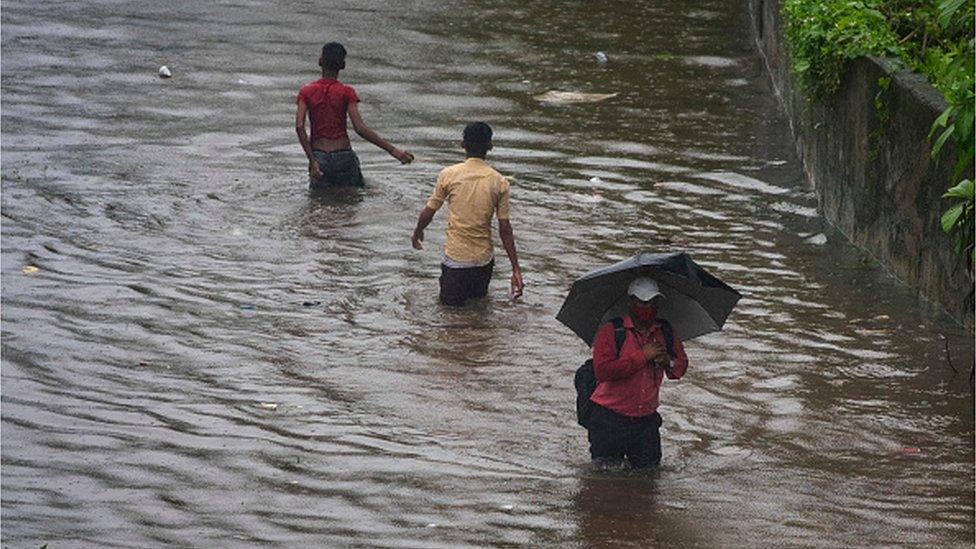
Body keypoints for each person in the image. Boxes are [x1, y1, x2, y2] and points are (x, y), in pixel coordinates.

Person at [410, 122, 524, 306]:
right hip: (483, 263)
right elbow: (505, 229)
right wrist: (516, 268)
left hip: (456, 261)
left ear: (462, 144)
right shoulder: (499, 182)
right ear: (490, 146)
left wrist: (417, 232)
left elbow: (428, 212)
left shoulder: (448, 175)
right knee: (478, 311)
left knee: (448, 316)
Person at [587, 277, 688, 469]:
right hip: (609, 419)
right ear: (630, 302)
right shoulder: (611, 331)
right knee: (604, 478)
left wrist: (668, 361)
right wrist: (642, 356)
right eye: (643, 302)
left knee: (649, 477)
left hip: (646, 422)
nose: (648, 307)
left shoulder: (665, 331)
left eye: (653, 302)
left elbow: (681, 366)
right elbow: (603, 371)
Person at [295, 42, 413, 189]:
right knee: (352, 200)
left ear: (320, 61)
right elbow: (360, 128)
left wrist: (312, 161)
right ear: (343, 65)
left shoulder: (306, 91)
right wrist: (394, 151)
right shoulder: (346, 92)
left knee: (319, 202)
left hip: (320, 158)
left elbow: (300, 126)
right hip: (343, 157)